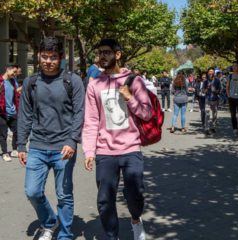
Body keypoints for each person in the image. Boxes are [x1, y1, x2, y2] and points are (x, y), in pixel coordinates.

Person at [82, 38, 151, 240]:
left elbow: (147, 113)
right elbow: (91, 120)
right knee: (105, 200)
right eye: (100, 52)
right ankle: (111, 235)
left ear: (118, 55)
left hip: (131, 148)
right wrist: (88, 151)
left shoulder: (134, 81)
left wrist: (130, 98)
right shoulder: (94, 84)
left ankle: (136, 219)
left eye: (107, 52)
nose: (102, 56)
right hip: (105, 151)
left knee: (135, 194)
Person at [17, 37, 85, 240]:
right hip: (37, 146)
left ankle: (65, 234)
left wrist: (72, 140)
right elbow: (25, 115)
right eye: (44, 56)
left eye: (53, 57)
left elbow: (79, 113)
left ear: (61, 58)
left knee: (64, 195)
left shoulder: (72, 81)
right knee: (32, 191)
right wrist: (21, 144)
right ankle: (49, 222)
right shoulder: (31, 82)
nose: (48, 61)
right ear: (38, 56)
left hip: (63, 147)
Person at [0, 64, 19, 162]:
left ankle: (14, 150)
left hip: (12, 111)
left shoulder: (13, 81)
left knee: (17, 131)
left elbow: (16, 92)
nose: (15, 74)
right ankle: (4, 153)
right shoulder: (0, 81)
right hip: (2, 112)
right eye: (14, 72)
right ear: (7, 70)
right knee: (3, 134)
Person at [226, 61, 238, 136]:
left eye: (236, 66)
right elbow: (227, 86)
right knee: (233, 114)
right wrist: (228, 95)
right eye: (233, 66)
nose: (234, 67)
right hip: (231, 98)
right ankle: (235, 128)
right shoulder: (230, 76)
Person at [202, 67, 221, 134]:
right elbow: (203, 91)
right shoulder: (205, 81)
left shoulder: (217, 81)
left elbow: (219, 90)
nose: (211, 73)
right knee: (207, 114)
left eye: (212, 71)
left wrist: (215, 90)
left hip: (215, 100)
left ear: (214, 73)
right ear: (208, 73)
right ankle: (207, 128)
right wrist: (207, 88)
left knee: (214, 115)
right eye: (209, 71)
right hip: (208, 99)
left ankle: (213, 127)